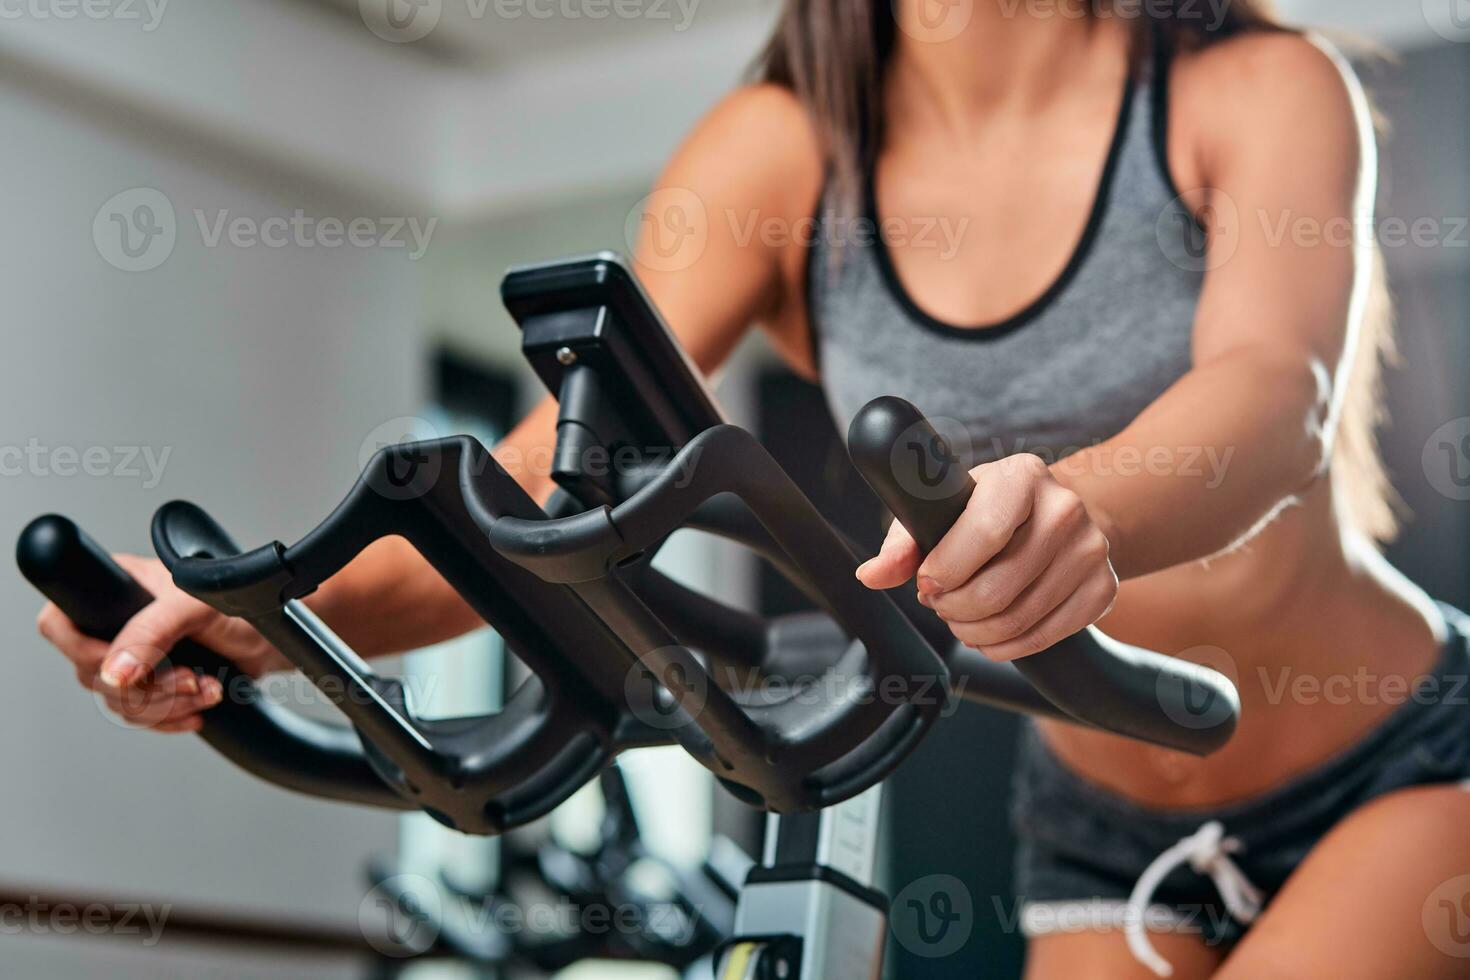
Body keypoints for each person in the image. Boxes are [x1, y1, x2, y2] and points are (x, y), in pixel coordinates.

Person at [35, 2, 1470, 976]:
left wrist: (1084, 509)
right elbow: (548, 480)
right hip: (1096, 817)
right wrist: (258, 616)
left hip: (1394, 759)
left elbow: (1273, 398)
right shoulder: (782, 154)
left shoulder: (1250, 85)